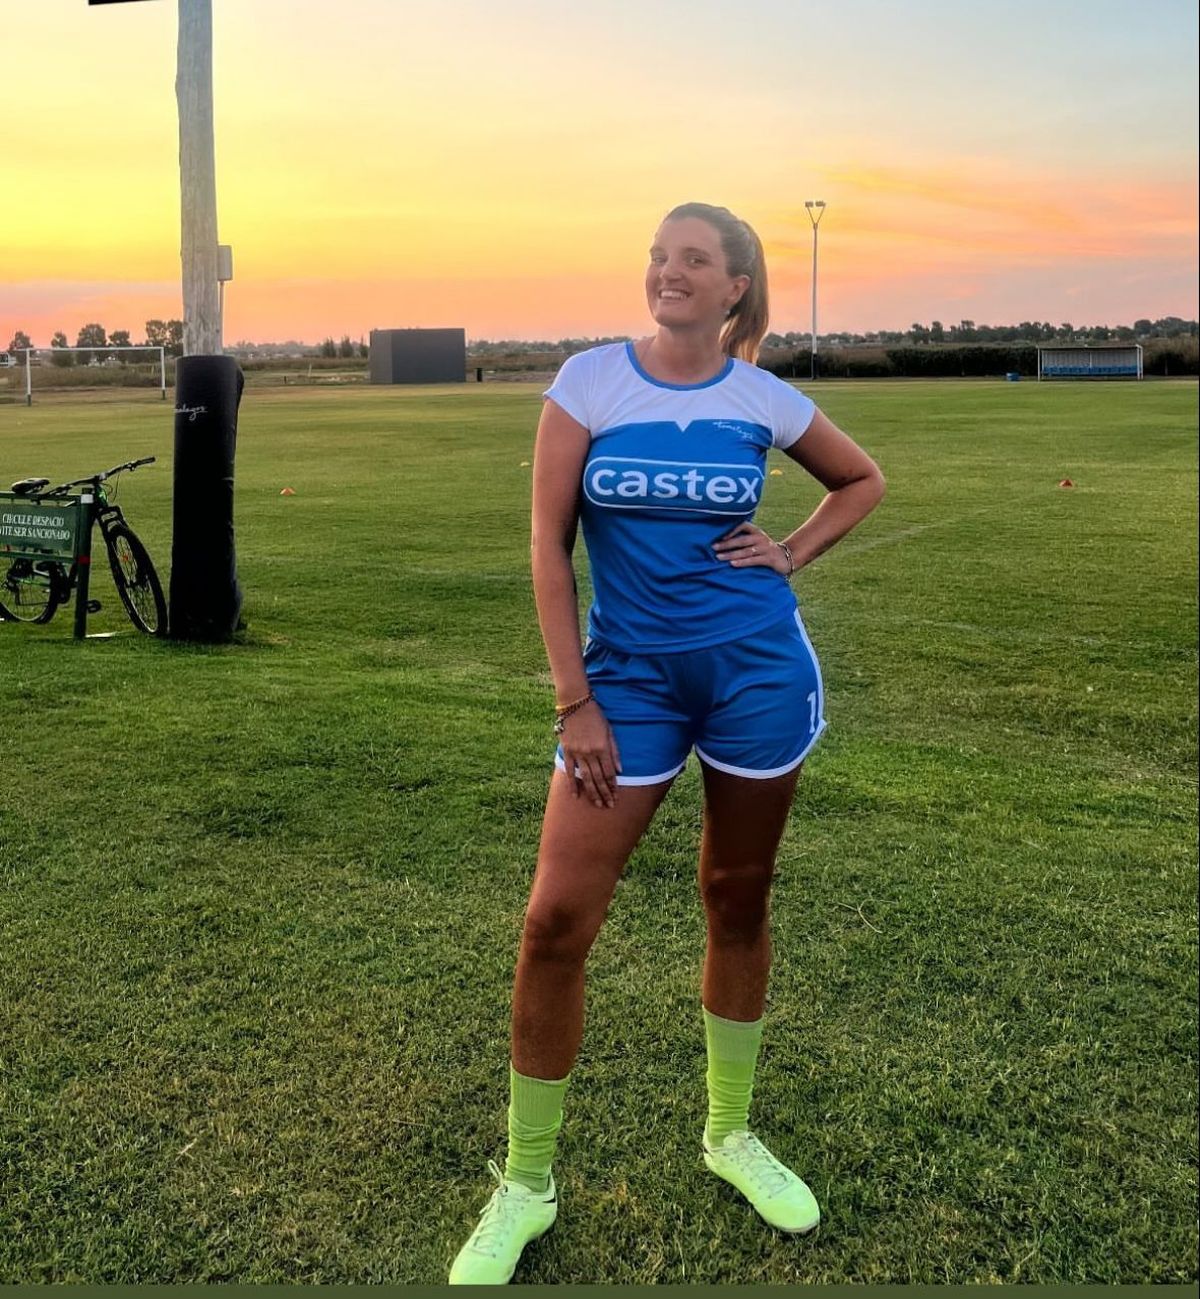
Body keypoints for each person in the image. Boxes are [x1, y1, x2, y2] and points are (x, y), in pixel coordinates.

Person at [449, 202, 886, 1284]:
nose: (667, 271)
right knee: (555, 922)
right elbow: (548, 545)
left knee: (737, 895)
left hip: (756, 677)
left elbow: (861, 479)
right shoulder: (589, 381)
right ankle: (526, 1183)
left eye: (694, 259)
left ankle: (730, 1134)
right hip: (625, 687)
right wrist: (575, 700)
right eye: (658, 255)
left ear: (736, 286)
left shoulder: (760, 396)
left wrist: (790, 550)